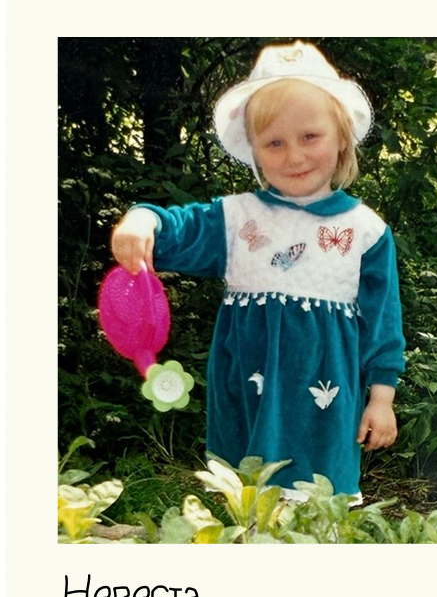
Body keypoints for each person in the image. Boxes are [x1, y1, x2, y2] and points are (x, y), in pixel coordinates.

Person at [111, 40, 405, 503]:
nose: (294, 156)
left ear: (342, 137)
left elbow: (383, 324)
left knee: (317, 512)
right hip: (247, 399)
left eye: (310, 137)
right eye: (275, 143)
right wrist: (142, 220)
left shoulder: (366, 230)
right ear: (255, 152)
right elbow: (175, 232)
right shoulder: (237, 218)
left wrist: (382, 399)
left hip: (324, 407)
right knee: (248, 506)